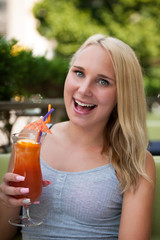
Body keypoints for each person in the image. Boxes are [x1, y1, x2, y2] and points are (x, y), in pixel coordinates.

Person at [0, 34, 156, 240]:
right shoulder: (32, 138)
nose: (83, 90)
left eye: (103, 81)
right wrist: (5, 200)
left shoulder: (135, 161)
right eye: (78, 73)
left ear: (123, 94)